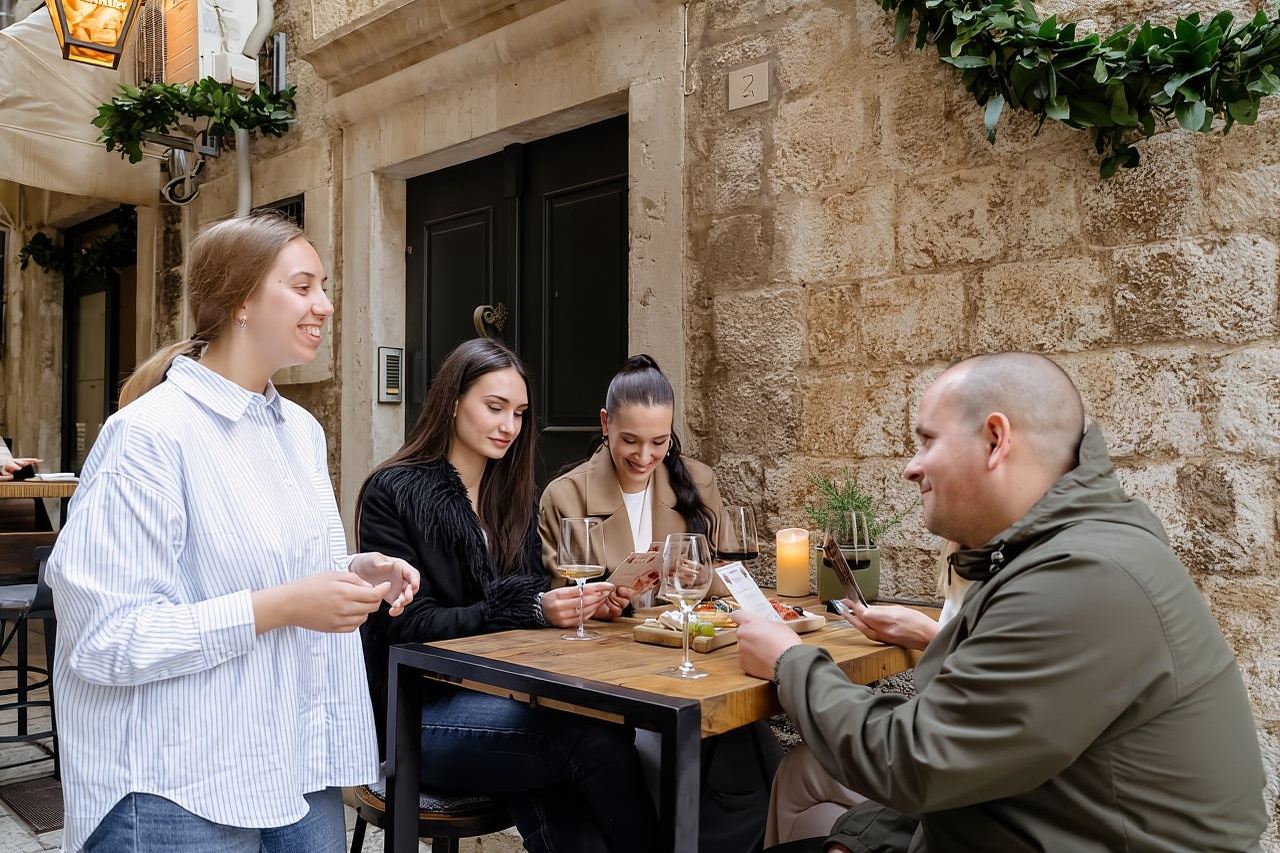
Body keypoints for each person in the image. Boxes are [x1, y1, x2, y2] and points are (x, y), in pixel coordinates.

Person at [736, 352, 1268, 852]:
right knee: (806, 780)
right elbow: (973, 751)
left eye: (926, 442)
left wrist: (790, 660)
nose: (911, 468)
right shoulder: (1062, 551)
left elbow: (919, 761)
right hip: (1036, 814)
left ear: (995, 440)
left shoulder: (1081, 578)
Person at [47, 212, 420, 853]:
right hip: (176, 778)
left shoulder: (299, 431)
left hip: (297, 755)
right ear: (242, 300)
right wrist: (284, 605)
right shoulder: (147, 434)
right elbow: (103, 638)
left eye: (323, 286)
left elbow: (260, 568)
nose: (325, 305)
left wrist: (351, 572)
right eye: (303, 287)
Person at [357, 337, 657, 853]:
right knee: (590, 739)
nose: (509, 426)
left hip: (503, 696)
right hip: (416, 714)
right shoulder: (394, 491)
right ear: (452, 401)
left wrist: (576, 605)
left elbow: (526, 596)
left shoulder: (512, 496)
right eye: (494, 408)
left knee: (589, 734)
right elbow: (404, 626)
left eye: (518, 413)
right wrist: (526, 607)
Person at [540, 354, 780, 853]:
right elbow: (564, 598)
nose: (645, 456)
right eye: (630, 440)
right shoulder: (565, 496)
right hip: (614, 675)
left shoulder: (696, 479)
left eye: (659, 441)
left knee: (742, 733)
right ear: (605, 425)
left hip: (689, 658)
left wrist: (701, 576)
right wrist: (606, 602)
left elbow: (726, 579)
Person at [765, 542, 965, 847]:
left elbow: (927, 746)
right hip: (942, 768)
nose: (921, 490)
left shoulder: (1024, 580)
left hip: (947, 785)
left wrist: (788, 660)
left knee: (805, 773)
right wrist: (926, 634)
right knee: (800, 769)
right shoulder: (975, 554)